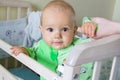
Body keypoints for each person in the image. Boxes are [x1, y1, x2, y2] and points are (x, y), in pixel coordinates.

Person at [10, 0, 93, 80]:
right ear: (42, 30)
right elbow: (32, 52)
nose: (57, 36)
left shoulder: (79, 45)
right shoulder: (41, 46)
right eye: (50, 30)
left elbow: (94, 39)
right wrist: (24, 50)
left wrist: (89, 25)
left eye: (64, 29)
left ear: (74, 31)